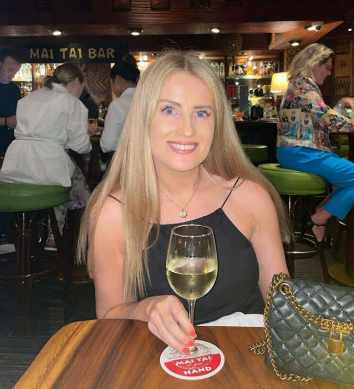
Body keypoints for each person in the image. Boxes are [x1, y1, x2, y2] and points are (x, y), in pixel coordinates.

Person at [77, 50, 290, 355]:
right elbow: (109, 315)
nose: (187, 129)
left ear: (218, 124)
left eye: (202, 112)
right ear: (143, 117)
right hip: (157, 362)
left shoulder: (251, 197)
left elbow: (282, 302)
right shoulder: (113, 213)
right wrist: (145, 309)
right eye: (169, 110)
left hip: (248, 357)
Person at [276, 43, 354, 246]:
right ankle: (318, 219)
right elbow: (328, 119)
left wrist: (342, 103)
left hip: (302, 151)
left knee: (353, 178)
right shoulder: (303, 84)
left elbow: (322, 117)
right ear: (313, 64)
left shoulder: (301, 85)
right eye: (327, 67)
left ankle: (320, 214)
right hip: (302, 152)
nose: (329, 72)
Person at [0, 63, 98, 249]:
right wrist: (88, 133)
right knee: (77, 189)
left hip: (17, 164)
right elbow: (81, 146)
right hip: (49, 165)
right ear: (77, 81)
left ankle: (20, 234)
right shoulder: (71, 102)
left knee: (66, 177)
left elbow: (41, 134)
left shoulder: (28, 99)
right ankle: (66, 237)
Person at [100, 57, 140, 167]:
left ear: (116, 79)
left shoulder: (118, 105)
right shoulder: (149, 100)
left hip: (126, 164)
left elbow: (107, 145)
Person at [0, 49, 22, 160]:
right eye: (10, 70)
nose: (12, 75)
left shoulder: (14, 88)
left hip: (10, 148)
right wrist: (6, 121)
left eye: (16, 72)